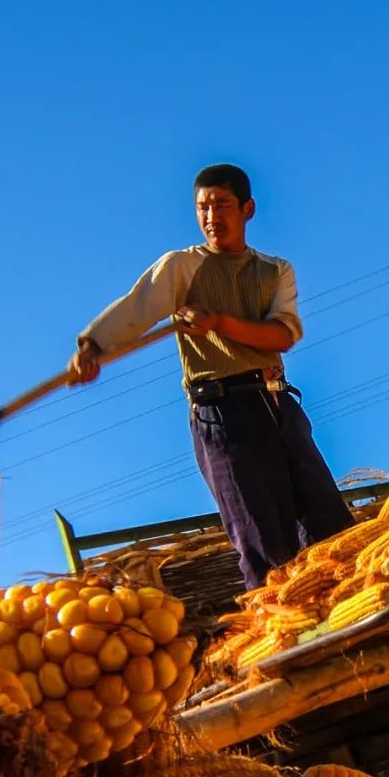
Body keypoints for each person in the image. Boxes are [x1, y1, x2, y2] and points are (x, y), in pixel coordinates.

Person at [67, 164, 351, 590]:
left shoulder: (275, 271)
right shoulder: (182, 268)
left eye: (222, 205)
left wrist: (216, 321)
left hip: (277, 404)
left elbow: (282, 334)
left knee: (329, 525)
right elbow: (136, 309)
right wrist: (92, 348)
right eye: (203, 207)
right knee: (262, 541)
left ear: (248, 209)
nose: (212, 217)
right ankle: (281, 633)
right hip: (222, 413)